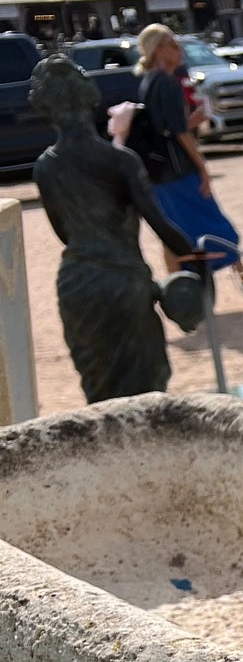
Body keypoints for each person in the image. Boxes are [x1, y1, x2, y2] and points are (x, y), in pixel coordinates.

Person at [29, 54, 204, 403]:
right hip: (124, 281)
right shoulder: (120, 161)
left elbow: (64, 232)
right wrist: (195, 258)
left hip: (78, 283)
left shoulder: (45, 168)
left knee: (99, 395)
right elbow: (159, 224)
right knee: (146, 388)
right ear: (90, 98)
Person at [130, 24, 241, 277]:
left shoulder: (149, 82)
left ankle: (178, 284)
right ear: (158, 50)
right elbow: (179, 133)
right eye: (171, 44)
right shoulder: (167, 83)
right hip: (178, 168)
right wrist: (202, 167)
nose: (178, 49)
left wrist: (188, 123)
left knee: (174, 233)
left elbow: (165, 127)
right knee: (214, 224)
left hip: (159, 171)